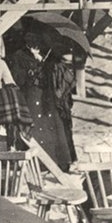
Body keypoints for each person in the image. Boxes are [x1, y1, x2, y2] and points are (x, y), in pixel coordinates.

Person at [7, 32, 73, 170]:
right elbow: (16, 78)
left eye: (37, 44)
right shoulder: (19, 56)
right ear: (27, 43)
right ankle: (37, 163)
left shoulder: (47, 55)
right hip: (29, 97)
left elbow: (56, 76)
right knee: (33, 127)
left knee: (52, 127)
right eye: (32, 44)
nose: (35, 47)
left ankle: (55, 162)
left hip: (46, 98)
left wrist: (45, 68)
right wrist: (29, 74)